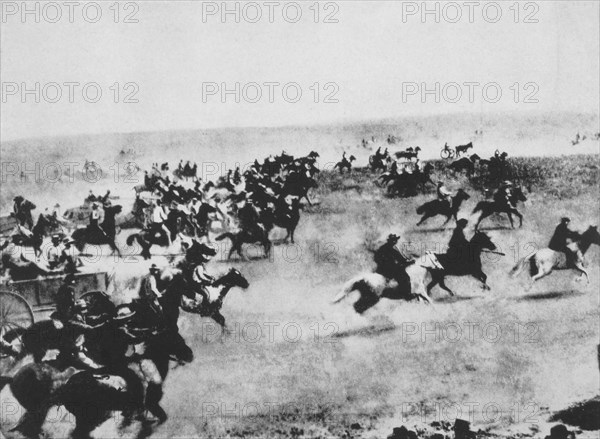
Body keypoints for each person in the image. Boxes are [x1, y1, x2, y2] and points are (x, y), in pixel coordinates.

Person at [58, 299, 105, 370]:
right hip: (74, 352)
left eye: (84, 308)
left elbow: (93, 319)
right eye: (82, 309)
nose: (84, 311)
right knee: (94, 367)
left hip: (79, 349)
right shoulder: (75, 320)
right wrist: (103, 325)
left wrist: (103, 318)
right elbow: (86, 328)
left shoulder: (82, 317)